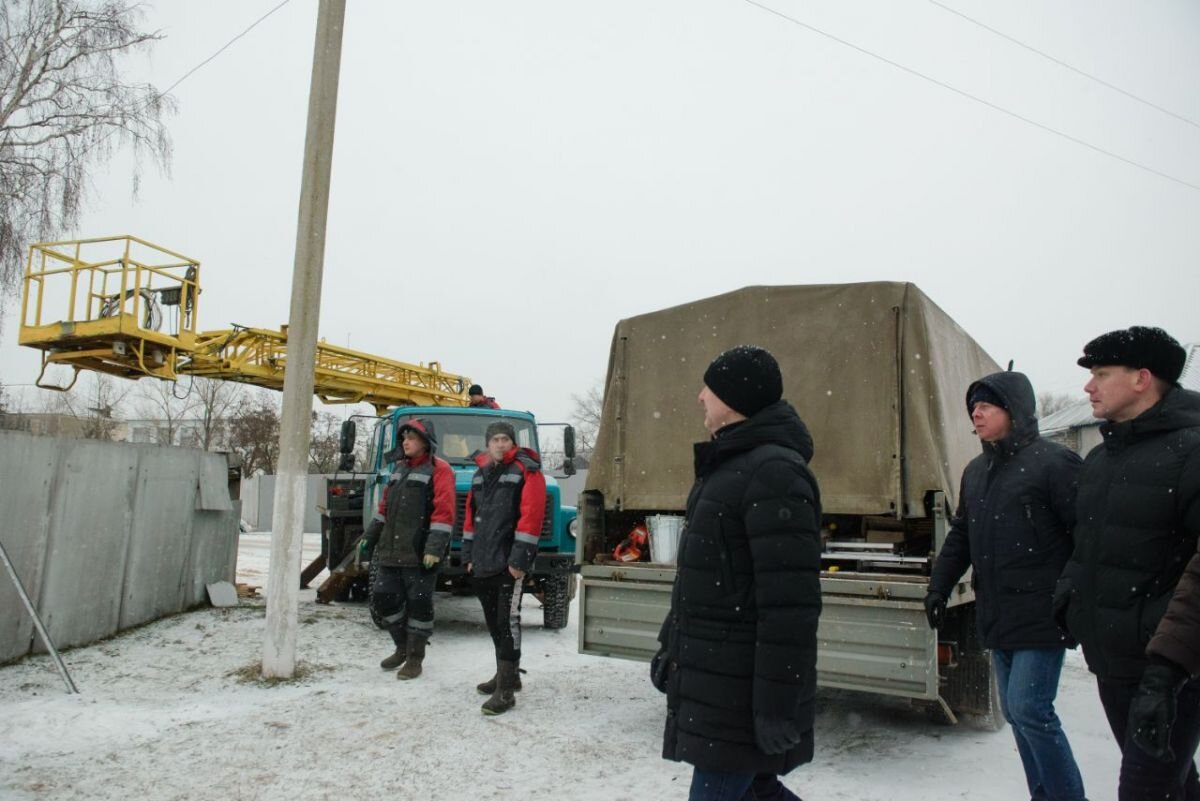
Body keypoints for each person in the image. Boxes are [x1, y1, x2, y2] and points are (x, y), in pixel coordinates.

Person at [651, 345, 821, 801]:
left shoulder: (774, 473)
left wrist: (778, 707)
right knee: (756, 790)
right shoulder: (729, 466)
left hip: (740, 691)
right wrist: (672, 645)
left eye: (710, 388)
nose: (700, 397)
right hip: (721, 681)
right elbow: (705, 582)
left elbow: (790, 607)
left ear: (735, 398)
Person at [925, 371, 1086, 801]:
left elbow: (1088, 535)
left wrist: (1073, 589)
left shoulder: (1055, 463)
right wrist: (939, 587)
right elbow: (961, 534)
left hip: (1042, 612)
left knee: (1031, 710)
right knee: (1017, 713)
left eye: (986, 406)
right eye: (972, 407)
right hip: (996, 611)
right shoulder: (976, 471)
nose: (975, 413)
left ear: (1013, 411)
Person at [1055, 326, 1200, 800]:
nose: (1088, 386)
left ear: (1142, 379)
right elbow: (1088, 544)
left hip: (1170, 672)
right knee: (1172, 785)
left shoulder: (1192, 451)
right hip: (1112, 663)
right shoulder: (1099, 458)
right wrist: (1069, 600)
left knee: (1143, 790)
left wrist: (1166, 673)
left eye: (1101, 373)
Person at [359, 418, 455, 680]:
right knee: (382, 598)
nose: (406, 442)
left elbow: (444, 513)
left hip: (420, 552)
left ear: (425, 442)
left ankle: (415, 658)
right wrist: (368, 537)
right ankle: (401, 647)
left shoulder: (440, 470)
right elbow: (383, 510)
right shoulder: (398, 469)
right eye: (404, 438)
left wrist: (434, 548)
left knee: (419, 605)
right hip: (391, 550)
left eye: (411, 438)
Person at [462, 420, 546, 715]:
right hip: (483, 562)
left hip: (509, 564)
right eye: (494, 439)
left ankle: (506, 691)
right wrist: (469, 555)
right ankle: (504, 674)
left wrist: (518, 562)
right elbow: (471, 519)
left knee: (507, 622)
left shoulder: (526, 471)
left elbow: (531, 517)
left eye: (504, 439)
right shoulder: (480, 473)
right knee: (494, 622)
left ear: (512, 442)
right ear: (488, 444)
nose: (499, 444)